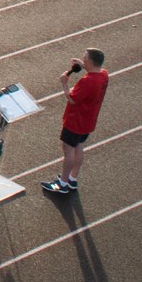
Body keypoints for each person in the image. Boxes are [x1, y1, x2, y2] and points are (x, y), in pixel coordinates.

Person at [44, 49, 109, 197]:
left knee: (68, 151)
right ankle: (73, 178)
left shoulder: (88, 81)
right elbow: (94, 71)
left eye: (84, 58)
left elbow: (72, 98)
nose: (82, 59)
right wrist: (83, 66)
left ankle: (63, 183)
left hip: (75, 121)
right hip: (88, 121)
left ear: (91, 61)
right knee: (79, 146)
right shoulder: (104, 75)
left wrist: (64, 84)